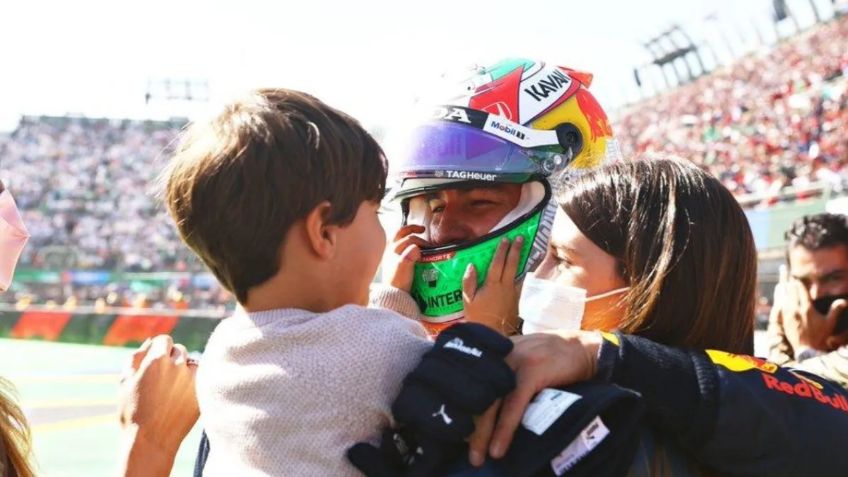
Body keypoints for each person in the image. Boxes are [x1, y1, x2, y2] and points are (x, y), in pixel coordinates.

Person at [159, 88, 523, 476]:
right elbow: (462, 388)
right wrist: (491, 328)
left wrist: (394, 295)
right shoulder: (384, 349)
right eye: (374, 210)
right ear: (324, 233)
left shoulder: (223, 348)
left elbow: (342, 352)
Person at [382, 58, 620, 335]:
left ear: (562, 199)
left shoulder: (616, 360)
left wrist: (487, 341)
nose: (444, 232)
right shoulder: (409, 337)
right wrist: (393, 311)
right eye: (435, 208)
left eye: (479, 202)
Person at [768, 213, 848, 388]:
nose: (815, 294)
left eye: (833, 278)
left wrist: (807, 351)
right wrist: (779, 330)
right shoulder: (788, 316)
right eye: (803, 282)